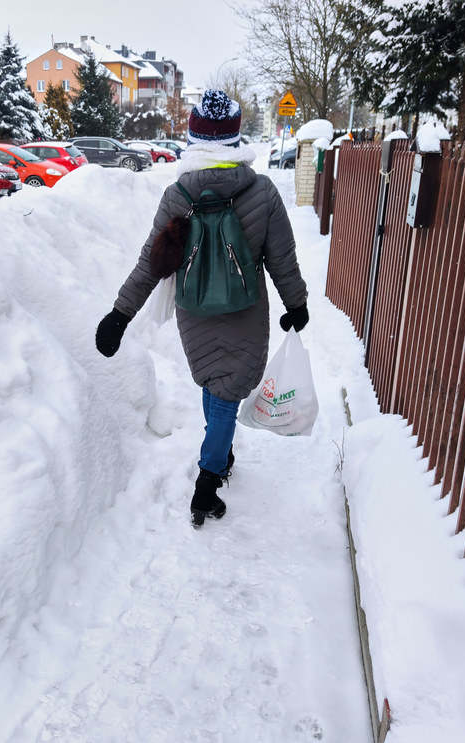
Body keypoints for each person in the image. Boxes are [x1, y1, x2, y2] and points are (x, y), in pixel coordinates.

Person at [94, 89, 309, 529]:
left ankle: (220, 451)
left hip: (196, 310)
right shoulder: (262, 192)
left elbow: (149, 264)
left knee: (215, 383)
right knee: (228, 392)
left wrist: (120, 314)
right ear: (234, 136)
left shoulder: (177, 196)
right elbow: (282, 259)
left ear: (193, 138)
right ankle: (208, 484)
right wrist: (296, 303)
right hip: (245, 309)